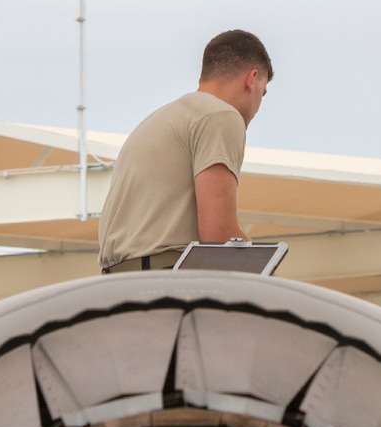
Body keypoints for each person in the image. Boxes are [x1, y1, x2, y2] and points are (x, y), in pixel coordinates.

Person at [98, 30, 272, 273]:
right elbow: (219, 238)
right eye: (263, 93)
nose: (258, 107)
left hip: (119, 285)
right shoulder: (221, 116)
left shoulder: (160, 119)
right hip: (168, 283)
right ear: (252, 79)